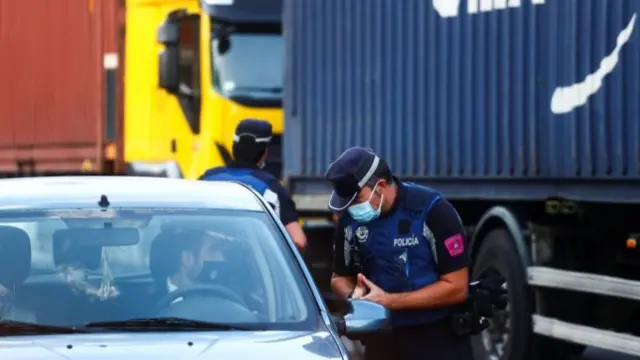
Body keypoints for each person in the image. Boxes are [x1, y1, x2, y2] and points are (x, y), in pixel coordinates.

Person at [326, 147, 473, 360]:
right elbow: (339, 278)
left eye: (357, 200)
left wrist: (388, 301)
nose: (353, 208)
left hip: (438, 337)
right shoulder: (349, 221)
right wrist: (356, 298)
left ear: (381, 186)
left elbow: (457, 287)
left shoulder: (432, 210)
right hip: (381, 338)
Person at [199, 119, 307, 251]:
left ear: (233, 146)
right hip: (250, 268)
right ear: (265, 153)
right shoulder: (271, 188)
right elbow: (298, 241)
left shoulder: (206, 180)